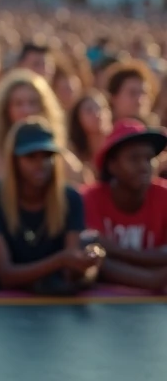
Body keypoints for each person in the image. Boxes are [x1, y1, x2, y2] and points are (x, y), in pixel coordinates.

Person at [0, 118, 103, 295]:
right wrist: (61, 260)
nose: (40, 163)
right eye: (31, 156)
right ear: (14, 160)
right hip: (3, 300)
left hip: (54, 299)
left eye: (47, 155)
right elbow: (5, 275)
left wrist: (86, 264)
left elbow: (70, 274)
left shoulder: (71, 198)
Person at [81, 120, 167, 291]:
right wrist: (152, 277)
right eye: (134, 158)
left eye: (149, 159)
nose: (144, 166)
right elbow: (89, 258)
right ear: (112, 165)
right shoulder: (88, 198)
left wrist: (112, 249)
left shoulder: (164, 195)